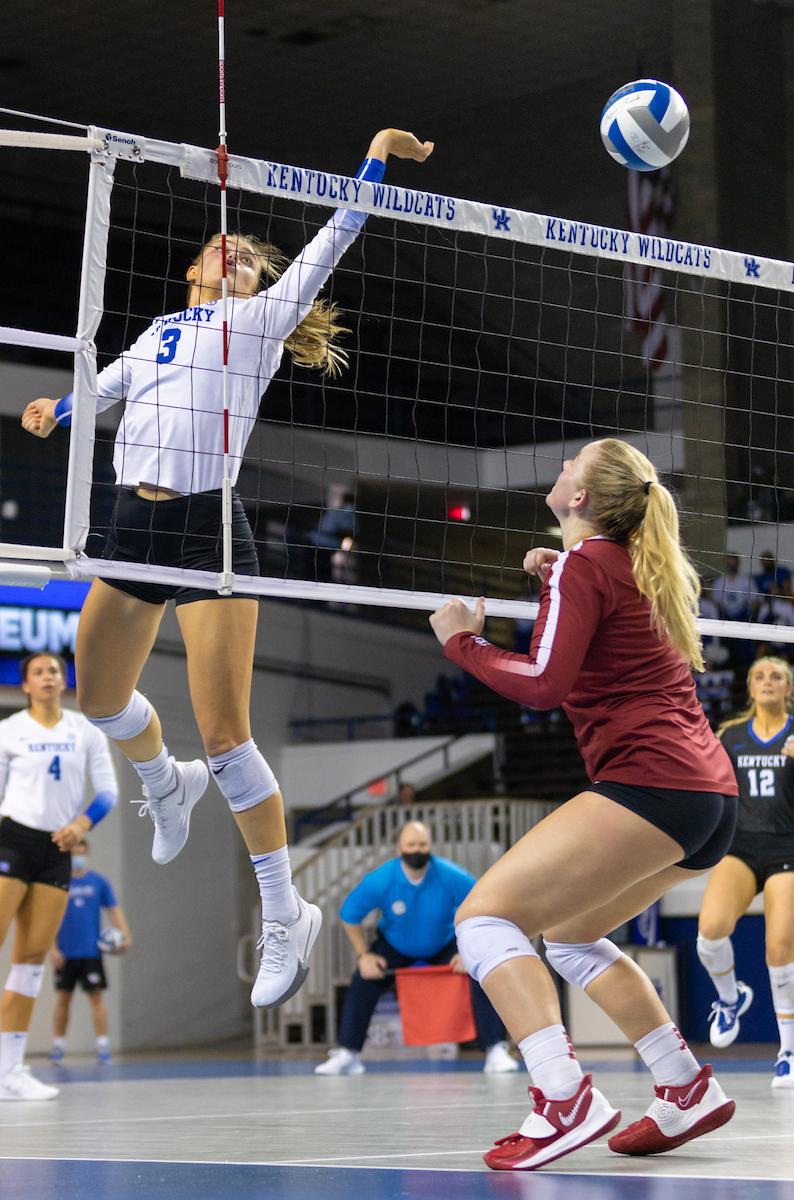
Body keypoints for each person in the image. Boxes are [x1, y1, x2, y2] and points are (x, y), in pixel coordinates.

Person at [21, 128, 434, 1010]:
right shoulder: (163, 329)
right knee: (99, 701)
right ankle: (163, 783)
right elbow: (107, 387)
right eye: (224, 246)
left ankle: (287, 912)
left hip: (212, 528)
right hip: (133, 521)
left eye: (249, 254)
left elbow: (332, 244)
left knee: (228, 735)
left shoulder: (258, 324)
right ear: (194, 272)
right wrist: (55, 409)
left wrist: (368, 162)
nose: (236, 251)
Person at [428, 438, 738, 1171]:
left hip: (653, 783)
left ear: (579, 499)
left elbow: (543, 683)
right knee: (567, 935)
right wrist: (550, 575)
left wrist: (462, 643)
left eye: (572, 463)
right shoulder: (619, 563)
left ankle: (564, 1100)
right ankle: (684, 1084)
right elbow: (590, 640)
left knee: (481, 919)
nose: (561, 466)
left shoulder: (586, 564)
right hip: (705, 796)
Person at [0, 652, 118, 1100]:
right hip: (14, 842)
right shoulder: (7, 732)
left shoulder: (84, 730)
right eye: (38, 672)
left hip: (59, 850)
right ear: (25, 684)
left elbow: (108, 792)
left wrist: (82, 824)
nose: (48, 677)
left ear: (63, 681)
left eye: (54, 671)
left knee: (29, 964)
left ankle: (10, 1072)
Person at [314, 821, 518, 1075]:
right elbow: (349, 914)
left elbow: (483, 906)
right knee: (363, 979)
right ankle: (348, 1053)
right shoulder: (382, 879)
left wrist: (467, 950)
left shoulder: (450, 875)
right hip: (395, 945)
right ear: (399, 848)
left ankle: (495, 1050)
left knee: (481, 972)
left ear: (430, 846)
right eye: (411, 845)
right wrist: (364, 955)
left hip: (444, 943)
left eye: (422, 844)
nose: (417, 849)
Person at [697, 656, 794, 1086]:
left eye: (776, 676)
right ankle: (730, 997)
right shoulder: (731, 736)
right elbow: (711, 788)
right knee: (711, 929)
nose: (767, 681)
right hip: (741, 846)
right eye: (759, 675)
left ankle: (788, 1050)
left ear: (788, 687)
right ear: (750, 687)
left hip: (787, 846)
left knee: (779, 948)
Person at [49, 838, 132, 1064]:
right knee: (63, 999)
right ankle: (58, 1046)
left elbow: (113, 909)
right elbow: (49, 920)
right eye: (74, 851)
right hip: (65, 953)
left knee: (96, 998)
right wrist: (53, 949)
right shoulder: (59, 883)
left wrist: (125, 934)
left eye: (81, 851)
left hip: (91, 952)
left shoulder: (98, 882)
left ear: (87, 853)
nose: (78, 855)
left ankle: (103, 1047)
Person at [711, 554, 754, 622]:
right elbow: (716, 602)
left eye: (733, 562)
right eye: (729, 563)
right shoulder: (719, 582)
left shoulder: (746, 580)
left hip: (742, 616)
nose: (731, 565)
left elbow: (753, 600)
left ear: (737, 563)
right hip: (724, 616)